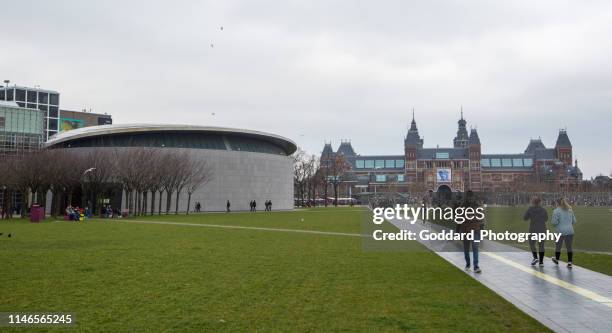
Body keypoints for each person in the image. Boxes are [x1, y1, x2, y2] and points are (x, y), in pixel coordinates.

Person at [459, 191, 484, 273]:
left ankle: (472, 265)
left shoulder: (475, 206)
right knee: (472, 248)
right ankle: (472, 265)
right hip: (470, 230)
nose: (470, 198)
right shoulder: (464, 207)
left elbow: (482, 219)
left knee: (471, 248)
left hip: (471, 230)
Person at [551, 198, 577, 268]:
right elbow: (574, 221)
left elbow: (554, 223)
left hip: (560, 231)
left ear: (557, 203)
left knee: (558, 246)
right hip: (570, 231)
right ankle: (570, 263)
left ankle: (557, 259)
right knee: (569, 247)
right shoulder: (570, 210)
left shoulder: (556, 211)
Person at [523, 196, 548, 267]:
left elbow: (525, 218)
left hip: (533, 230)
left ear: (533, 202)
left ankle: (535, 257)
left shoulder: (530, 209)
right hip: (542, 229)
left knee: (532, 244)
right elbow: (546, 219)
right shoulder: (543, 210)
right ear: (540, 202)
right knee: (541, 245)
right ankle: (541, 262)